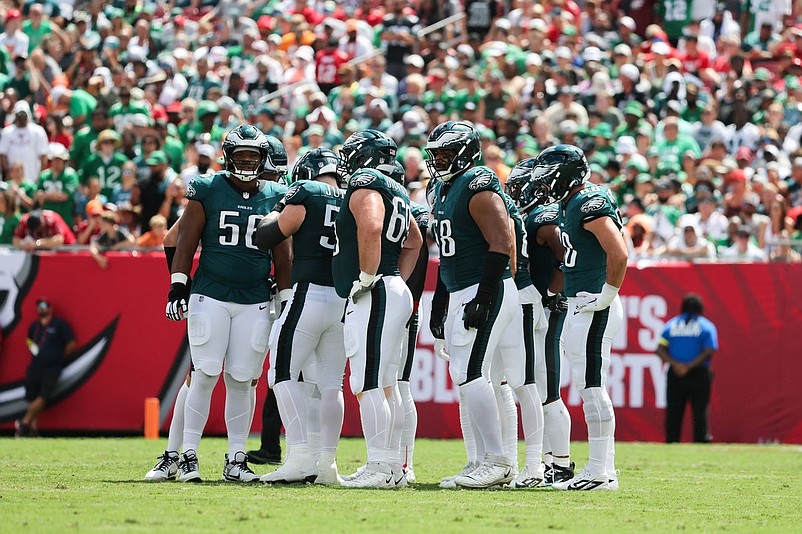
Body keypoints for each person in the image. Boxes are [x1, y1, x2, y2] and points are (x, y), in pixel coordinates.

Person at [166, 125, 291, 483]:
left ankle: (236, 459)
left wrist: (285, 298)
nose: (248, 162)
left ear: (263, 159)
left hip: (255, 299)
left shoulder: (277, 194)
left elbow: (284, 255)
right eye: (241, 156)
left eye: (253, 156)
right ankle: (188, 456)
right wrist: (178, 285)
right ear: (228, 157)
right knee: (205, 373)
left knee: (241, 379)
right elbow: (185, 240)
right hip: (211, 294)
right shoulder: (207, 187)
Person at [427, 121, 521, 489]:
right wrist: (440, 301)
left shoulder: (477, 182)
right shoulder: (442, 188)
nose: (439, 160)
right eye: (436, 154)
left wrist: (484, 296)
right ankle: (483, 460)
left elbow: (502, 241)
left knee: (470, 372)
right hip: (460, 288)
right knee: (467, 375)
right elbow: (447, 254)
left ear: (465, 153)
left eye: (446, 154)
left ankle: (498, 461)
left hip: (486, 288)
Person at [527, 144, 626, 491]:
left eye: (548, 177)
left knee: (592, 389)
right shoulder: (571, 203)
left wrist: (607, 294)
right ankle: (604, 470)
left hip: (593, 303)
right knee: (589, 388)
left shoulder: (588, 202)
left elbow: (619, 252)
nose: (543, 184)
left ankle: (599, 472)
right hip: (582, 303)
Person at [332, 129, 422, 489]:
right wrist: (395, 277)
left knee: (367, 383)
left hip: (378, 290)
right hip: (392, 287)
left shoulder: (367, 181)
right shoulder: (396, 188)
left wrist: (369, 276)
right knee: (386, 385)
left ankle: (381, 467)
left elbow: (371, 227)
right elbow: (414, 241)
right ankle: (393, 467)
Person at [254, 148, 347, 485]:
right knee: (331, 384)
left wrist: (275, 210)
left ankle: (299, 455)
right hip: (341, 298)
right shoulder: (351, 194)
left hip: (308, 293)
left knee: (281, 374)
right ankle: (327, 463)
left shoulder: (306, 190)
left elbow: (266, 235)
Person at [506, 157, 574, 487]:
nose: (513, 194)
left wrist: (549, 293)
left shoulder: (543, 217)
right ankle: (551, 462)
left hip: (548, 307)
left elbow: (566, 260)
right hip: (540, 306)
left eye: (518, 188)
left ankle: (560, 464)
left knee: (547, 388)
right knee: (539, 386)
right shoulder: (534, 216)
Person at [656, 293, 719, 443]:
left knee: (674, 410)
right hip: (699, 373)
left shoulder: (671, 325)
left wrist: (676, 364)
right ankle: (701, 440)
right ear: (700, 308)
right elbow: (709, 350)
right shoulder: (706, 326)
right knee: (700, 410)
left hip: (675, 373)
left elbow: (660, 349)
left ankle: (672, 441)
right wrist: (689, 366)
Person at [16, 298, 75, 437]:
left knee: (43, 397)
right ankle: (33, 429)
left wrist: (58, 357)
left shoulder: (59, 324)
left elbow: (71, 344)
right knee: (31, 397)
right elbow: (29, 341)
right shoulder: (34, 326)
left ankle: (24, 423)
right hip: (35, 367)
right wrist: (36, 352)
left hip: (52, 368)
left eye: (44, 305)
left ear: (50, 308)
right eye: (39, 306)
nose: (42, 308)